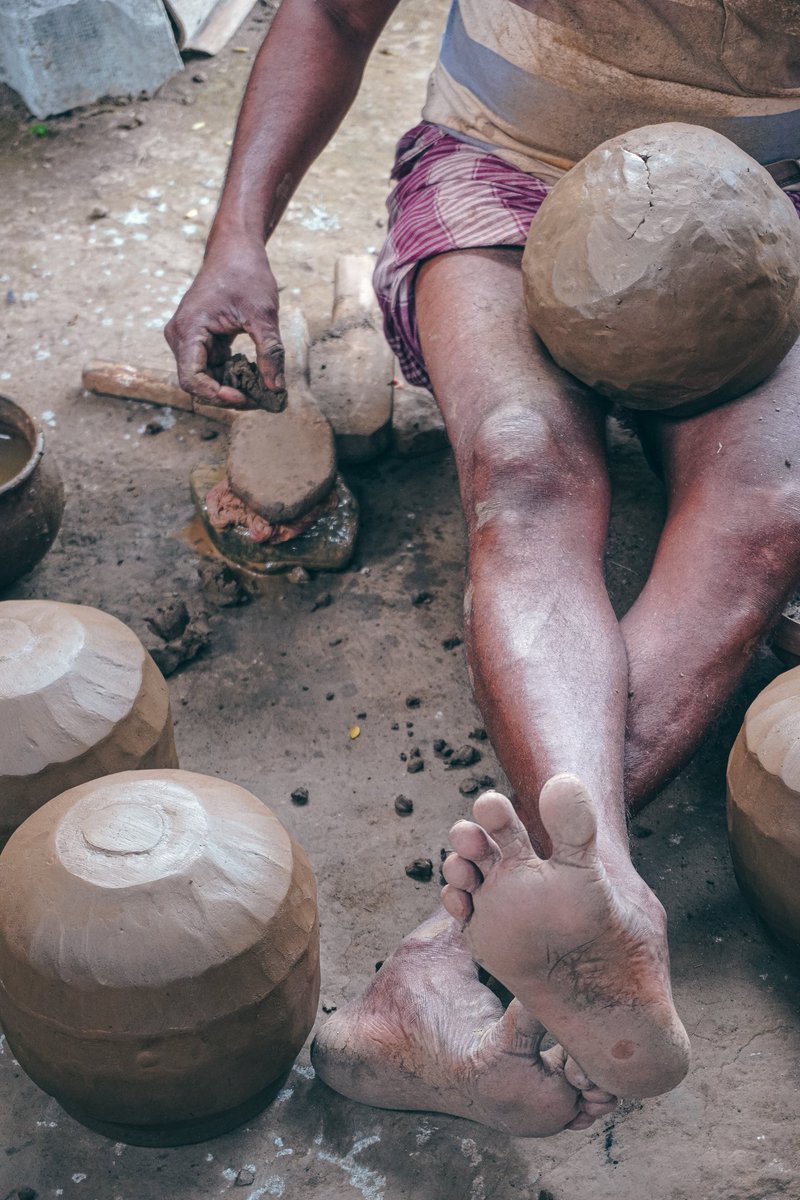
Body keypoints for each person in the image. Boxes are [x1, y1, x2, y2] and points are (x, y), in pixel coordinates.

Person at [166, 0, 800, 1135]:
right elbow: (332, 12)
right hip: (507, 168)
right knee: (522, 469)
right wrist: (237, 238)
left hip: (762, 205)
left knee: (763, 513)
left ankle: (453, 956)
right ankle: (578, 903)